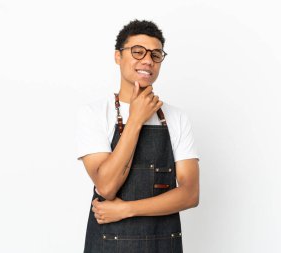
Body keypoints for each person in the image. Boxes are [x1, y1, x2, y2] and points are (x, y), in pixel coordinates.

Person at [75, 19, 200, 253]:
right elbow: (107, 185)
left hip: (163, 243)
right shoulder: (93, 113)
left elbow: (190, 194)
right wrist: (135, 119)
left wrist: (126, 209)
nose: (147, 60)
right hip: (108, 244)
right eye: (137, 51)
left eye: (155, 54)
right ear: (117, 56)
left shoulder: (177, 117)